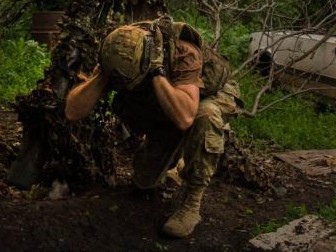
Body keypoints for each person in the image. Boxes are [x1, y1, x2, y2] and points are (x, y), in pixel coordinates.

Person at [64, 20, 240, 238]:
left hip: (209, 94)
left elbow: (185, 117)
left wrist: (157, 72)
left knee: (204, 116)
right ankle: (176, 153)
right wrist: (102, 76)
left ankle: (192, 200)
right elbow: (72, 111)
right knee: (144, 182)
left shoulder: (183, 51)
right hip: (172, 100)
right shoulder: (118, 51)